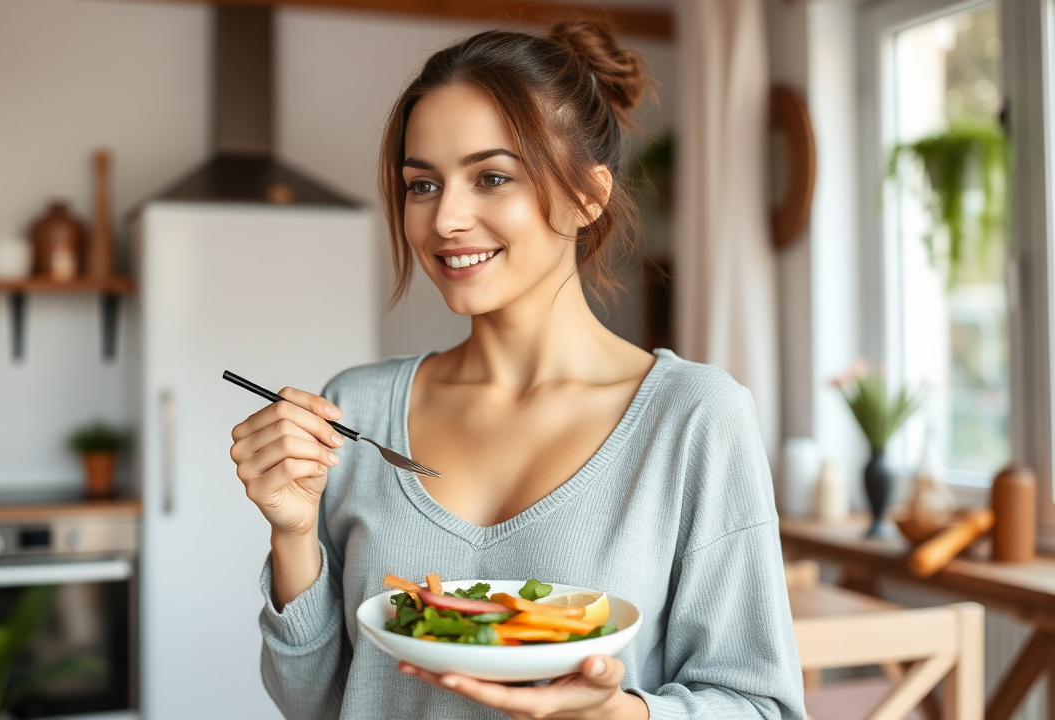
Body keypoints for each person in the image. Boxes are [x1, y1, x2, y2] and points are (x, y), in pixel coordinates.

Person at [228, 19, 806, 720]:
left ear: (587, 195)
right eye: (422, 185)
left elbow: (762, 707)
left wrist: (617, 714)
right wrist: (292, 534)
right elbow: (315, 704)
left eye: (491, 177)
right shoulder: (357, 411)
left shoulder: (694, 416)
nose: (446, 220)